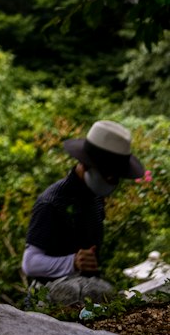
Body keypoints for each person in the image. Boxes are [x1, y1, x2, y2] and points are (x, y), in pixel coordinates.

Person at [23, 119, 145, 306]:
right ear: (86, 165)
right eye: (109, 175)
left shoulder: (95, 197)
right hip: (48, 301)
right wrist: (73, 262)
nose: (113, 182)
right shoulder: (51, 202)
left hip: (86, 295)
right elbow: (30, 263)